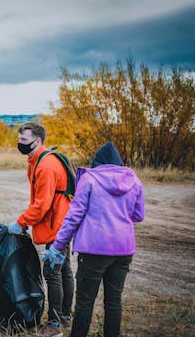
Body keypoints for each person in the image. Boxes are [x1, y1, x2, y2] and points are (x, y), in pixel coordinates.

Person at [44, 142, 145, 337]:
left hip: (94, 251)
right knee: (114, 300)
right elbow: (139, 215)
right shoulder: (133, 180)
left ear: (97, 162)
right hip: (123, 250)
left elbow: (74, 216)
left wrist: (57, 247)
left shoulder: (90, 179)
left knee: (85, 302)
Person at [8, 121, 74, 337]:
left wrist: (21, 222)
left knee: (52, 271)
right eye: (19, 139)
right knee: (63, 269)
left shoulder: (46, 166)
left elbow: (42, 204)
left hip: (59, 224)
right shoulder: (36, 160)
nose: (20, 143)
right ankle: (64, 316)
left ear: (38, 141)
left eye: (24, 140)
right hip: (61, 221)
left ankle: (55, 324)